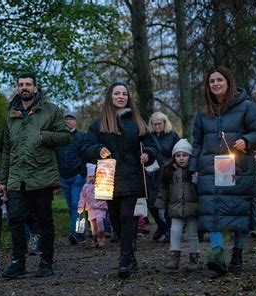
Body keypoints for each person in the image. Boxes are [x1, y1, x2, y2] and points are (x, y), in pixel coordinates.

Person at [190, 66, 256, 276]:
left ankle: (238, 255)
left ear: (228, 81)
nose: (215, 84)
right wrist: (193, 167)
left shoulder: (247, 106)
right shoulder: (204, 112)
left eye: (219, 80)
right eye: (211, 81)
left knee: (239, 213)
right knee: (213, 210)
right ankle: (218, 253)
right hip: (210, 170)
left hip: (238, 167)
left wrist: (247, 141)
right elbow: (197, 142)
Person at [82, 82, 157, 279]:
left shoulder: (137, 122)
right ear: (111, 97)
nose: (121, 96)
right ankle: (130, 254)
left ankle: (124, 259)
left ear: (128, 97)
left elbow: (150, 145)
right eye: (117, 93)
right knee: (114, 217)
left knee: (126, 216)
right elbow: (87, 147)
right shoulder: (99, 124)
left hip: (131, 173)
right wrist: (98, 151)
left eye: (124, 93)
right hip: (107, 174)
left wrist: (148, 154)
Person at [0, 73, 71, 278]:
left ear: (35, 88)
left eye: (28, 84)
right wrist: (3, 180)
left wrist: (44, 136)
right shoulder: (11, 114)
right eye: (21, 84)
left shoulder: (50, 110)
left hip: (42, 175)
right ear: (17, 88)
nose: (24, 87)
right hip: (17, 177)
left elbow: (66, 136)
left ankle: (46, 261)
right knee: (15, 219)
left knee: (44, 220)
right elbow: (6, 149)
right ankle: (18, 262)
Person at [155, 139, 201, 272]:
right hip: (175, 207)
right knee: (175, 231)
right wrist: (161, 205)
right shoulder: (169, 171)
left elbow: (202, 189)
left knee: (193, 233)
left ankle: (194, 257)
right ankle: (174, 256)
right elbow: (163, 189)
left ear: (190, 156)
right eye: (178, 155)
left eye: (185, 155)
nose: (181, 158)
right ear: (174, 156)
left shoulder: (195, 171)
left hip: (192, 207)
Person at [147, 112, 180, 242]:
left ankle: (169, 231)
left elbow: (178, 152)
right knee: (152, 203)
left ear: (165, 123)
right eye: (154, 124)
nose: (157, 126)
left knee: (167, 203)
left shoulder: (172, 136)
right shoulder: (148, 137)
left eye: (159, 124)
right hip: (152, 174)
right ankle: (161, 225)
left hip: (168, 173)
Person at [55, 113, 87, 245]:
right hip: (64, 177)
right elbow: (55, 157)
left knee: (77, 206)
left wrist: (82, 172)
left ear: (75, 122)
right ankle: (78, 232)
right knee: (70, 207)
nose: (68, 121)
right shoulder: (59, 139)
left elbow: (86, 154)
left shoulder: (81, 137)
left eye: (71, 119)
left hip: (77, 177)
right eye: (66, 120)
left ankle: (78, 233)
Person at [77, 163, 108, 248]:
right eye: (90, 176)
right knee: (93, 226)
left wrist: (104, 203)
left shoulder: (101, 185)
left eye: (94, 176)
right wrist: (80, 207)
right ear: (87, 176)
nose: (92, 178)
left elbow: (106, 195)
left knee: (99, 221)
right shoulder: (85, 187)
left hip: (100, 207)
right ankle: (95, 241)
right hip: (91, 209)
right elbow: (82, 198)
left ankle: (101, 238)